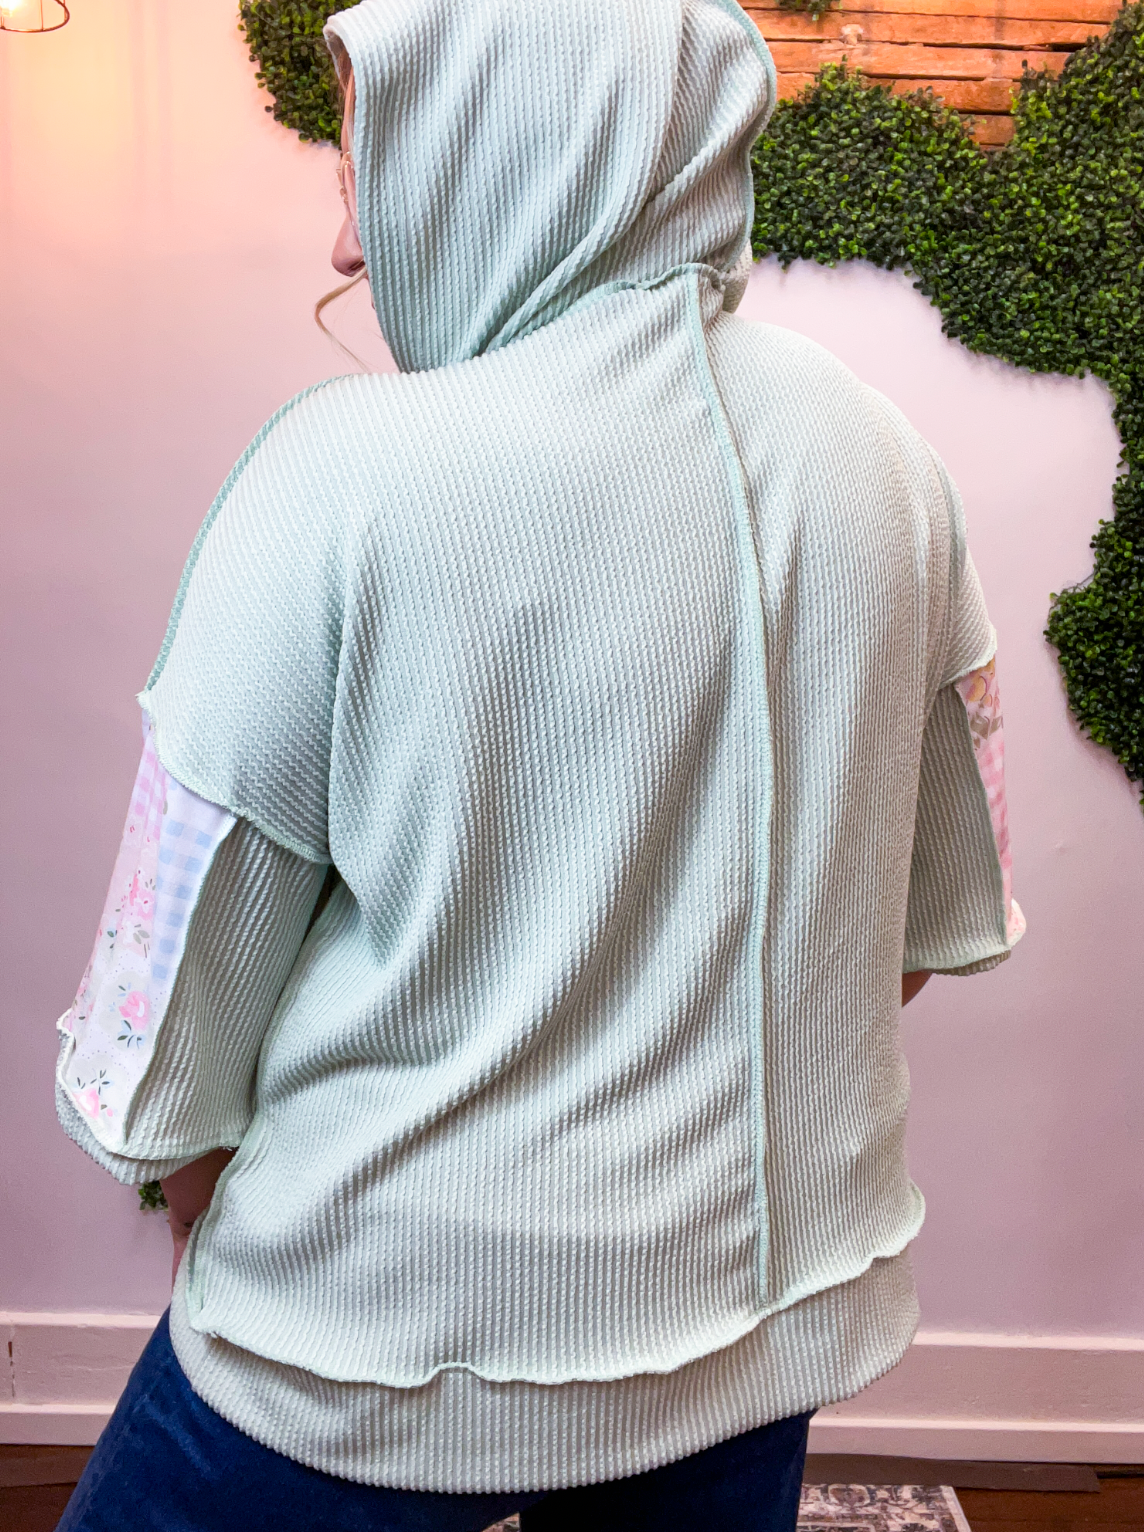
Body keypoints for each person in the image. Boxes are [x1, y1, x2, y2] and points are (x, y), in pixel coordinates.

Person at [53, 0, 1023, 1526]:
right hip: (752, 1330)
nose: (345, 248)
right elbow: (927, 916)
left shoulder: (344, 476)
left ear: (509, 151)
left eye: (367, 177)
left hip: (370, 1341)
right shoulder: (886, 458)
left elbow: (173, 998)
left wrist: (199, 1213)